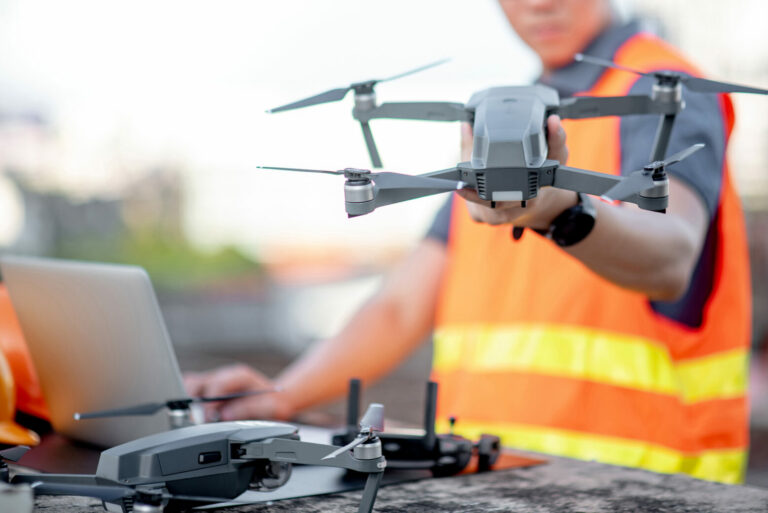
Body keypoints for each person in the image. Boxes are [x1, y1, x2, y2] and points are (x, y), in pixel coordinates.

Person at [185, 0, 750, 484]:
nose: (538, 4)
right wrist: (281, 396)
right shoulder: (502, 115)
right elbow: (401, 305)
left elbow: (671, 254)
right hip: (488, 479)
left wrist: (562, 209)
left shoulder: (662, 87)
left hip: (636, 490)